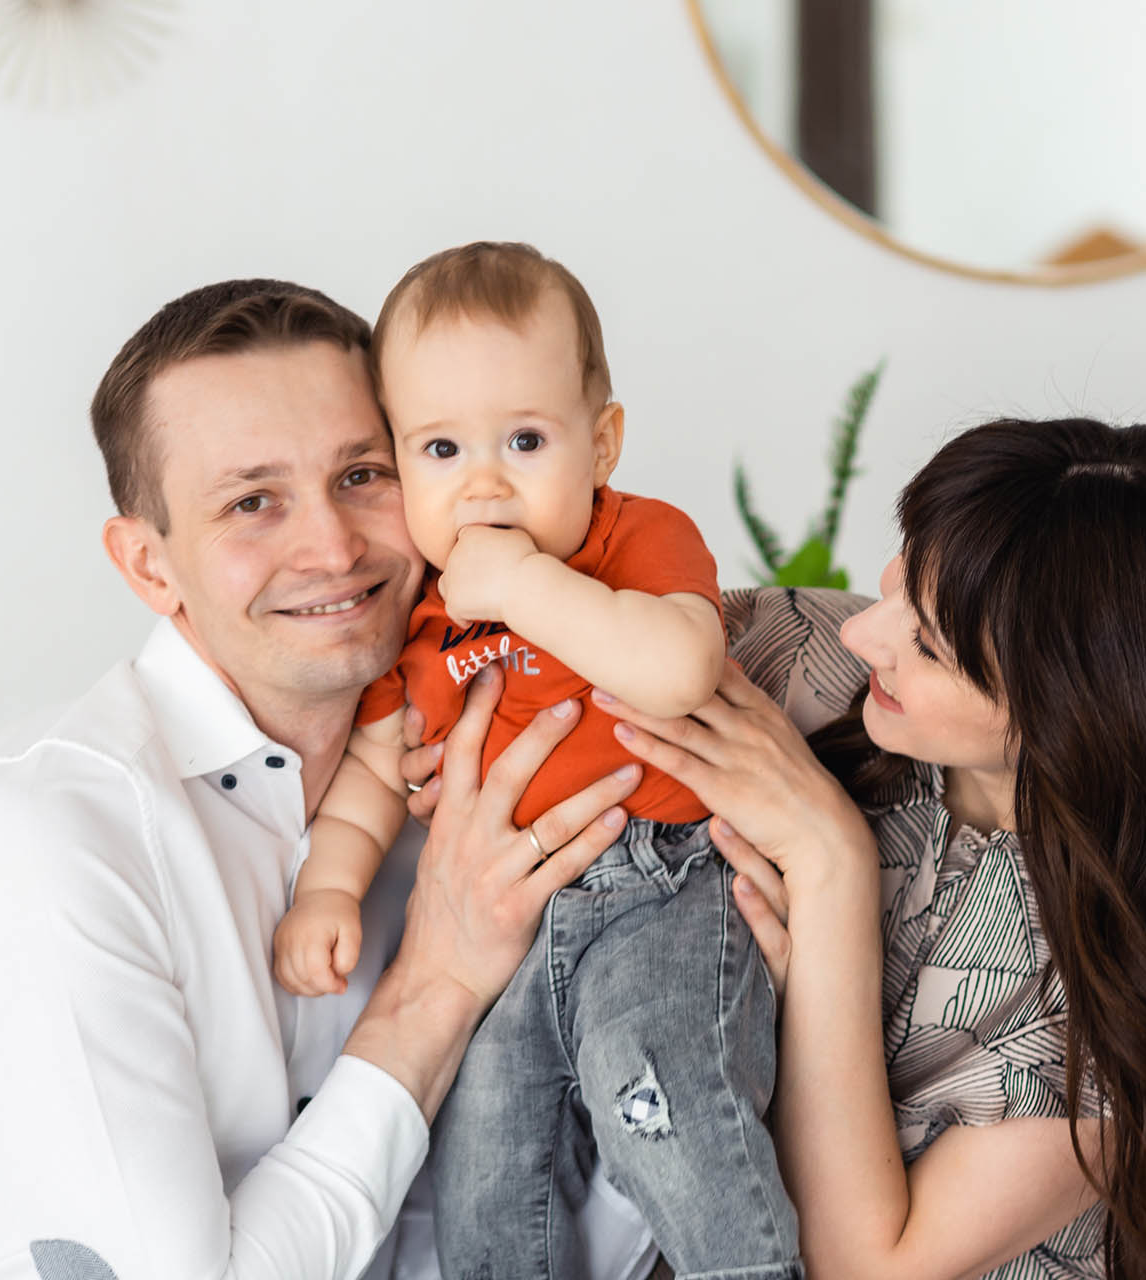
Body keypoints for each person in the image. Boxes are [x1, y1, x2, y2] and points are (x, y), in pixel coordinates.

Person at [0, 278, 656, 1280]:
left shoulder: (448, 808)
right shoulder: (33, 839)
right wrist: (434, 987)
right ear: (149, 565)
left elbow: (465, 1242)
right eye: (252, 502)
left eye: (362, 474)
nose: (333, 547)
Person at [600, 419, 1146, 1279]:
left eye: (928, 644)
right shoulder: (805, 660)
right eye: (900, 578)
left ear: (1075, 717)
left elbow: (862, 1267)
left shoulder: (1130, 996)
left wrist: (831, 865)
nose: (864, 635)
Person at [275, 242, 800, 1280]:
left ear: (600, 445)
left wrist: (520, 583)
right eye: (440, 449)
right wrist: (328, 889)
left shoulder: (632, 539)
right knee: (480, 1161)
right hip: (505, 930)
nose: (483, 482)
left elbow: (677, 667)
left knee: (661, 1095)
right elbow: (376, 770)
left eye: (524, 439)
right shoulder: (420, 612)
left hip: (661, 885)